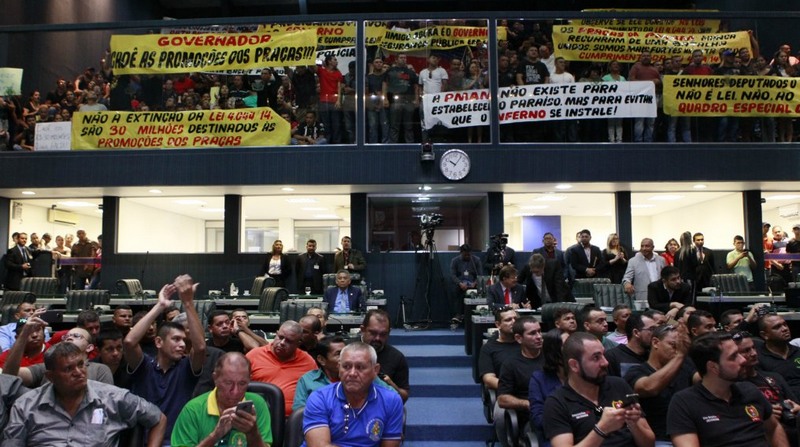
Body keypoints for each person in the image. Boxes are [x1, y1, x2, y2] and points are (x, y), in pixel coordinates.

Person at [3, 342, 167, 447]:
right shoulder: (26, 405)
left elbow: (158, 418)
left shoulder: (113, 398)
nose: (79, 372)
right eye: (68, 369)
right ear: (50, 376)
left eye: (81, 365)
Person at [666, 332, 789, 447]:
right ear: (713, 367)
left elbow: (774, 428)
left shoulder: (749, 390)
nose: (743, 360)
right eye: (733, 356)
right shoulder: (684, 402)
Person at [124, 275, 207, 440]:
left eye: (184, 340)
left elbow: (200, 347)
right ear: (159, 342)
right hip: (143, 441)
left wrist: (188, 303)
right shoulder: (145, 366)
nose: (182, 344)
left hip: (178, 441)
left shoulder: (186, 368)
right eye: (176, 339)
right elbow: (129, 342)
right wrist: (160, 306)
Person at [543, 332, 656, 446]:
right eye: (596, 357)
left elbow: (649, 444)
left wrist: (634, 423)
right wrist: (602, 429)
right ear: (574, 365)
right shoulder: (557, 403)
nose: (605, 363)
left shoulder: (619, 385)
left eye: (603, 355)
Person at [301, 342, 404, 447]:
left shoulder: (391, 400)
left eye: (360, 367)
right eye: (346, 366)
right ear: (339, 368)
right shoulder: (319, 398)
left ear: (375, 370)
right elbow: (319, 445)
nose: (352, 373)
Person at [171, 352, 272, 447]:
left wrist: (253, 432)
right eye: (228, 383)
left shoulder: (258, 404)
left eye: (242, 384)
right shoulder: (193, 410)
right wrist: (214, 436)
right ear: (215, 379)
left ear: (250, 379)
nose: (235, 391)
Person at [624, 324, 696, 445]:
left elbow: (703, 380)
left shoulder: (685, 365)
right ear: (656, 342)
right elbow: (649, 388)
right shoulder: (636, 371)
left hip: (688, 434)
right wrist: (680, 355)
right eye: (673, 345)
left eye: (682, 347)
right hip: (658, 439)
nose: (678, 350)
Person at [734, 329, 800, 447]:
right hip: (760, 435)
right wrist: (764, 413)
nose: (753, 353)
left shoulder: (774, 377)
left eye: (753, 348)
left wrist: (796, 408)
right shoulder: (733, 385)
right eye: (746, 351)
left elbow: (796, 404)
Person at [246, 320, 317, 415]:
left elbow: (317, 392)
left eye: (289, 341)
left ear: (298, 343)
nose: (282, 343)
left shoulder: (308, 361)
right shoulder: (254, 355)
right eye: (280, 337)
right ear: (276, 334)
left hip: (294, 420)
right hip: (260, 415)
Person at [497, 316, 544, 424]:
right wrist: (526, 403)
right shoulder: (510, 364)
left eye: (539, 331)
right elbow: (502, 399)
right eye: (532, 333)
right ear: (519, 338)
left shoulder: (552, 356)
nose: (539, 337)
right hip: (531, 417)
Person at [360, 309, 409, 402]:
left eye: (383, 334)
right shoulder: (345, 350)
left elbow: (404, 397)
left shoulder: (397, 358)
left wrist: (390, 385)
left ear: (389, 333)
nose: (377, 338)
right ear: (362, 330)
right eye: (373, 333)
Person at [528, 328, 567, 447]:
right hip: (553, 435)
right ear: (555, 350)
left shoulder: (584, 375)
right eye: (568, 345)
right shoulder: (539, 379)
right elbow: (538, 419)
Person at [757, 314, 800, 399]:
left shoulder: (798, 351)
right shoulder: (758, 358)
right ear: (764, 335)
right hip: (782, 404)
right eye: (777, 327)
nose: (785, 329)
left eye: (785, 324)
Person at [478, 307, 519, 393]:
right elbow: (489, 379)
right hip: (506, 393)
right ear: (498, 325)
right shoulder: (489, 348)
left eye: (515, 319)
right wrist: (513, 388)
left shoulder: (526, 342)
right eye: (508, 320)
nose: (513, 322)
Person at [604, 313, 658, 377]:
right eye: (652, 329)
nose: (656, 334)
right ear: (636, 333)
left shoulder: (653, 356)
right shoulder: (612, 356)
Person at [385, 54, 419, 144]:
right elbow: (385, 84)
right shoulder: (390, 71)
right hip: (396, 100)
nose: (404, 59)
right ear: (396, 59)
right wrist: (385, 98)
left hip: (408, 100)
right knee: (394, 125)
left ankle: (410, 144)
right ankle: (393, 145)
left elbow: (416, 86)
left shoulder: (410, 72)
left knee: (408, 125)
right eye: (401, 58)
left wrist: (416, 99)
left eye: (405, 58)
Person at [629, 51, 661, 142]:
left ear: (651, 58)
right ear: (640, 57)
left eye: (648, 56)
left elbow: (659, 81)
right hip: (639, 98)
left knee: (651, 122)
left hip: (652, 98)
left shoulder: (654, 69)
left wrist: (656, 81)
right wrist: (649, 82)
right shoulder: (636, 67)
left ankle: (648, 141)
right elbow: (631, 80)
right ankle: (638, 141)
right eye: (644, 56)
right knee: (639, 121)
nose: (646, 57)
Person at [622, 238, 666, 302]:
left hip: (660, 295)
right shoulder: (633, 261)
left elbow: (665, 276)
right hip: (643, 296)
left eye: (647, 246)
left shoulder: (661, 260)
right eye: (642, 246)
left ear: (653, 247)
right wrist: (627, 283)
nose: (644, 248)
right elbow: (627, 277)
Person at [449, 243, 482, 321]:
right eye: (465, 255)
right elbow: (452, 275)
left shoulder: (476, 260)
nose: (467, 256)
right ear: (461, 253)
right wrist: (460, 283)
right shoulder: (455, 261)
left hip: (473, 283)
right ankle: (458, 314)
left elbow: (480, 274)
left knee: (477, 291)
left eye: (469, 255)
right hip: (460, 283)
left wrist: (475, 283)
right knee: (457, 291)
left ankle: (474, 314)